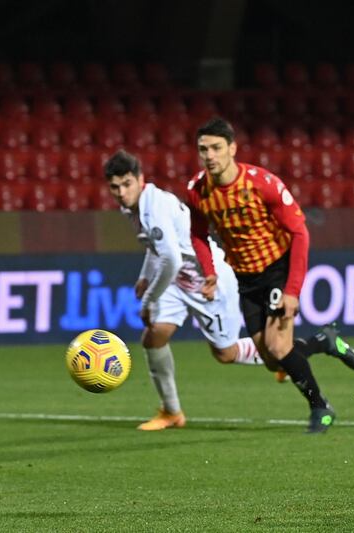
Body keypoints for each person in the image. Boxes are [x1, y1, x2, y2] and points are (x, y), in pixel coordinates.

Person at [187, 117, 354, 434]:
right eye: (203, 149)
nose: (209, 155)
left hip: (276, 270)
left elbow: (299, 233)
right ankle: (324, 342)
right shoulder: (198, 191)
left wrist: (293, 290)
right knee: (270, 359)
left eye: (216, 148)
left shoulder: (262, 183)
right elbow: (197, 235)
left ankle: (320, 406)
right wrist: (209, 273)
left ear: (232, 149)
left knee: (279, 347)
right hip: (245, 278)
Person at [105, 149, 267, 431]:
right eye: (115, 187)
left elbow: (171, 258)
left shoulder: (154, 207)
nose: (121, 192)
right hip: (179, 280)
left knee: (225, 354)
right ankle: (172, 412)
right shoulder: (134, 206)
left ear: (140, 179)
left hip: (208, 278)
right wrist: (145, 276)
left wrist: (149, 301)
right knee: (154, 336)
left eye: (127, 184)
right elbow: (157, 249)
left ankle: (282, 354)